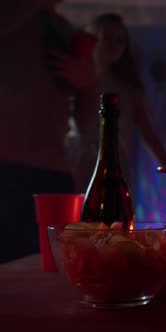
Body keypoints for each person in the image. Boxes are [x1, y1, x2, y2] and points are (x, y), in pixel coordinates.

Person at [0, 1, 98, 262]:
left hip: (54, 171)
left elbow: (83, 118)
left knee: (55, 267)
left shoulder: (61, 29)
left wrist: (88, 84)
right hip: (8, 169)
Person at [71, 13, 166, 194]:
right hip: (79, 161)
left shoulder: (127, 88)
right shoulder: (79, 76)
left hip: (115, 166)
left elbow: (148, 133)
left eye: (120, 40)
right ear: (94, 38)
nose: (114, 45)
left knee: (116, 217)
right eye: (107, 38)